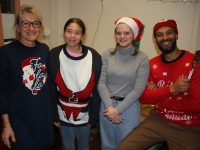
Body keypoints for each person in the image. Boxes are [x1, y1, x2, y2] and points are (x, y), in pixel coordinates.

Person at [117, 19, 200, 150]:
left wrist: (159, 97)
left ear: (176, 35)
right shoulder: (152, 64)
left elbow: (196, 105)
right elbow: (144, 98)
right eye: (159, 35)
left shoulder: (194, 63)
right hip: (158, 120)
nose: (165, 37)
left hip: (187, 126)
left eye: (169, 33)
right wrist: (172, 89)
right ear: (155, 39)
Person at [0, 4, 55, 150]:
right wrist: (6, 125)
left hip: (43, 119)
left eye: (35, 23)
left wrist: (54, 114)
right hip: (20, 122)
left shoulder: (44, 49)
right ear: (18, 26)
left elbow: (48, 84)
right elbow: (1, 91)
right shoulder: (6, 53)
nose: (31, 28)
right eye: (26, 23)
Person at [48, 18, 102, 150]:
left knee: (84, 146)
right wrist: (54, 115)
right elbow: (51, 88)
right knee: (67, 146)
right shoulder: (54, 54)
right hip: (63, 114)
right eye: (69, 31)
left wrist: (93, 117)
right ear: (63, 33)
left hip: (85, 115)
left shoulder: (94, 56)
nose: (72, 36)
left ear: (83, 36)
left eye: (77, 33)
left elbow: (96, 90)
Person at [98, 17, 150, 150]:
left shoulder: (142, 58)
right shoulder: (107, 55)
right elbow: (102, 83)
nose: (122, 36)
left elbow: (138, 89)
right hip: (106, 106)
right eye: (118, 33)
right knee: (107, 145)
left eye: (127, 33)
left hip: (129, 108)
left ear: (134, 35)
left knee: (127, 146)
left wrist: (117, 111)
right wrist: (110, 109)